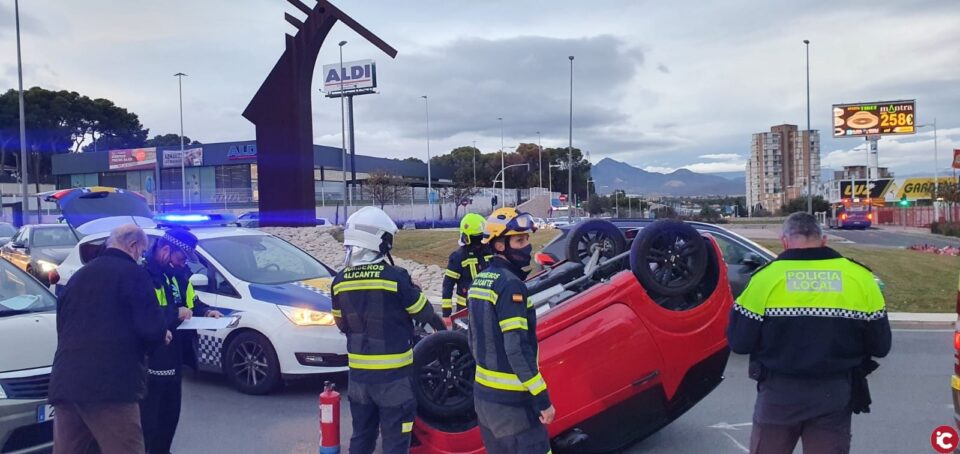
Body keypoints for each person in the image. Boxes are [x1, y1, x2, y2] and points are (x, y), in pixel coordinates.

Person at [727, 212, 891, 454]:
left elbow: (740, 342)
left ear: (784, 241)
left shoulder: (765, 279)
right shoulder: (861, 278)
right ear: (823, 240)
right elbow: (881, 346)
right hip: (834, 394)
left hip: (778, 395)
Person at [331, 206, 446, 454]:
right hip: (394, 380)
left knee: (361, 437)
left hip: (359, 378)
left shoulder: (339, 281)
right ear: (380, 240)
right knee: (395, 443)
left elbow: (341, 324)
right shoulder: (395, 278)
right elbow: (424, 313)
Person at [49, 224, 169, 454]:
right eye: (142, 252)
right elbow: (150, 329)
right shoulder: (134, 274)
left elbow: (63, 325)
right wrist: (162, 334)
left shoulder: (78, 277)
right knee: (126, 448)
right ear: (133, 246)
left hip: (66, 382)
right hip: (111, 388)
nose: (141, 258)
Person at [467, 207, 555, 454]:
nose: (526, 246)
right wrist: (543, 399)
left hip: (485, 400)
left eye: (527, 239)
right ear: (499, 246)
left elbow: (472, 338)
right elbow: (515, 348)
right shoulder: (510, 285)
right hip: (513, 404)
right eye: (519, 240)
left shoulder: (480, 281)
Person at [140, 228, 222, 454]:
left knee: (169, 417)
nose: (183, 262)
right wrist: (174, 313)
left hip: (176, 355)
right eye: (180, 257)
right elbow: (144, 313)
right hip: (153, 356)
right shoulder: (145, 275)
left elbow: (191, 302)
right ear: (166, 250)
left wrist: (206, 312)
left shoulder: (180, 274)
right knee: (151, 421)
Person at [441, 213, 492, 317]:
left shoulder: (490, 251)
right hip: (465, 310)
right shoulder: (458, 257)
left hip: (489, 307)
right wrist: (446, 313)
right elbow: (448, 285)